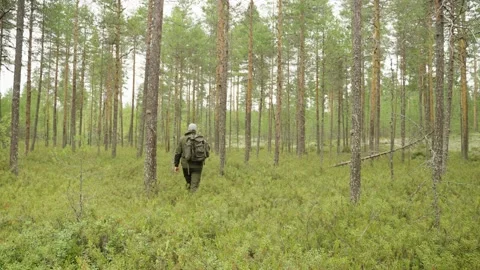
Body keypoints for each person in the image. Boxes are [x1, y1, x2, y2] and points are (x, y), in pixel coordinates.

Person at [173, 123, 205, 192]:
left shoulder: (182, 139)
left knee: (188, 184)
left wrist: (176, 165)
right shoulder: (200, 138)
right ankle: (192, 199)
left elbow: (178, 153)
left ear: (188, 129)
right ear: (195, 129)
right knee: (194, 186)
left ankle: (189, 199)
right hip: (198, 166)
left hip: (186, 166)